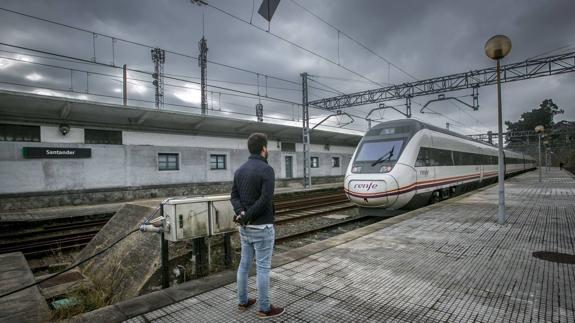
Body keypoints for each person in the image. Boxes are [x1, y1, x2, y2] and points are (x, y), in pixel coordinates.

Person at [230, 132, 285, 319]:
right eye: (266, 147)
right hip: (262, 228)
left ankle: (243, 301)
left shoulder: (240, 170)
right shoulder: (266, 169)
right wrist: (248, 216)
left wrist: (242, 214)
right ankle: (264, 308)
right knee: (262, 268)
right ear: (263, 148)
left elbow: (234, 197)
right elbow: (265, 200)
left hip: (245, 229)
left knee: (244, 265)